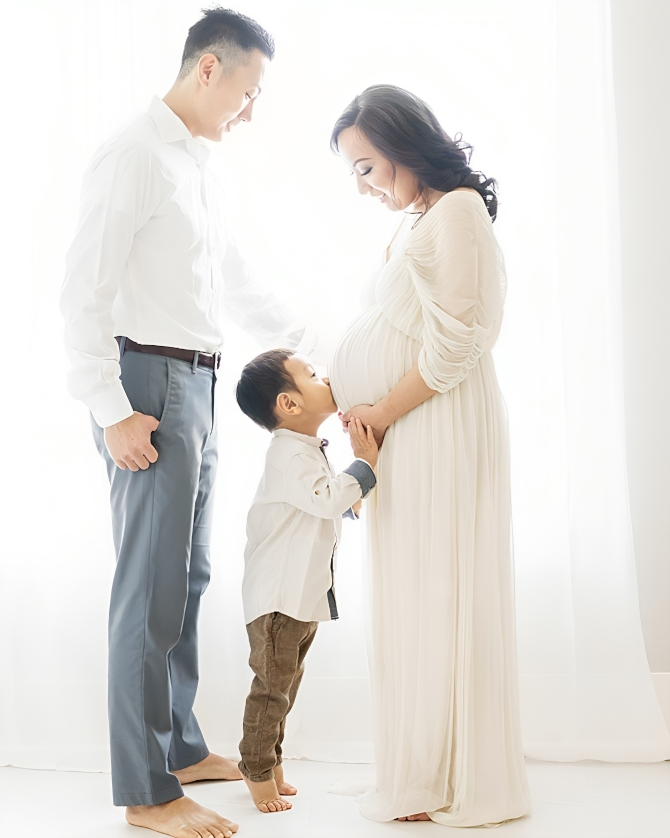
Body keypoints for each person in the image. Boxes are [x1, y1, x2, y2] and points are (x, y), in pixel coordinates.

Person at [60, 9, 314, 838]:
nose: (251, 111)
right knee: (148, 591)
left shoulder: (197, 166)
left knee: (190, 579)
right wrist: (111, 411)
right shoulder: (132, 155)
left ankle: (179, 746)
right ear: (209, 70)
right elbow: (82, 294)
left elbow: (232, 281)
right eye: (248, 91)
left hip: (199, 384)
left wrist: (311, 341)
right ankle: (146, 793)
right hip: (146, 385)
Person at [328, 85, 532, 827]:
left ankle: (449, 774)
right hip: (412, 429)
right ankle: (420, 768)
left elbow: (458, 344)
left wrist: (379, 410)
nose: (366, 186)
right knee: (418, 587)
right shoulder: (432, 215)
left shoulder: (459, 212)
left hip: (437, 423)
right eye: (356, 173)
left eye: (369, 168)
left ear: (405, 148)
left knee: (441, 586)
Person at [234, 350, 378, 813]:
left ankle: (271, 760)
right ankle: (256, 770)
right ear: (289, 404)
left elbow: (328, 505)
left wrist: (352, 495)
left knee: (286, 685)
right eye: (312, 375)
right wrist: (365, 464)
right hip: (279, 598)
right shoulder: (287, 456)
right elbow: (324, 499)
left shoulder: (305, 451)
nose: (326, 377)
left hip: (299, 596)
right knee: (272, 688)